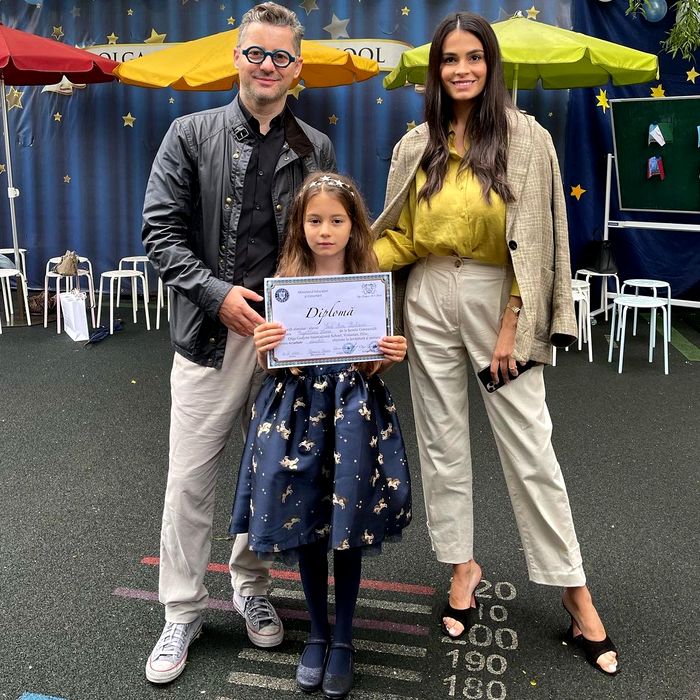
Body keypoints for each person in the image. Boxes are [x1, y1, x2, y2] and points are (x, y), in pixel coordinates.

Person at [372, 12, 619, 676]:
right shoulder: (416, 144)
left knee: (530, 446)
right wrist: (334, 262)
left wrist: (515, 321)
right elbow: (401, 236)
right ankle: (462, 566)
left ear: (491, 64)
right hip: (428, 295)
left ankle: (573, 588)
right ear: (436, 70)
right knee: (441, 442)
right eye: (450, 59)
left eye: (473, 57)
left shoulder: (527, 139)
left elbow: (537, 238)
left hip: (497, 300)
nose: (462, 69)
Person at [141, 2, 336, 684]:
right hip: (209, 336)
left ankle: (250, 587)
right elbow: (159, 234)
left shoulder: (315, 148)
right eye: (256, 52)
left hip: (283, 346)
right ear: (237, 57)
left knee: (269, 475)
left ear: (297, 68)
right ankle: (181, 609)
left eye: (280, 56)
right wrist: (217, 295)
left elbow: (326, 243)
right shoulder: (189, 135)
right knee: (190, 480)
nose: (267, 65)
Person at [230, 171, 412, 699]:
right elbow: (272, 362)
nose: (325, 231)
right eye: (314, 220)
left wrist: (389, 355)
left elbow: (372, 362)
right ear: (299, 225)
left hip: (354, 417)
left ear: (355, 226)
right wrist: (264, 346)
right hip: (296, 414)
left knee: (346, 523)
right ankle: (317, 632)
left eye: (336, 220)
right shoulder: (286, 280)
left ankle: (344, 638)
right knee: (305, 520)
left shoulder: (369, 283)